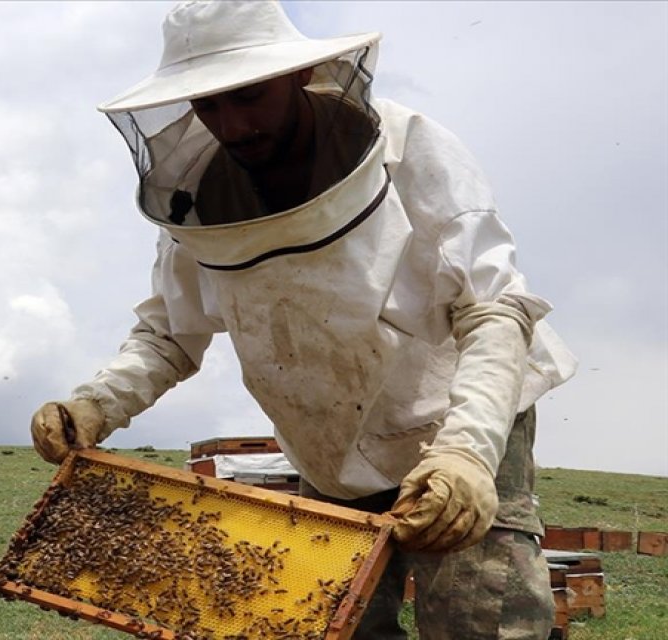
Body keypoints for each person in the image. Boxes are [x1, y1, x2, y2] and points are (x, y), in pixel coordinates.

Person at [29, 2, 577, 638]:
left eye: (249, 97)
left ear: (298, 75)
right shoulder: (198, 196)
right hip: (326, 450)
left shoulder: (410, 150)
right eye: (209, 106)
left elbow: (492, 310)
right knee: (332, 626)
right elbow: (169, 335)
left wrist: (467, 454)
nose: (231, 126)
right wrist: (97, 404)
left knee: (479, 619)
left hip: (453, 419)